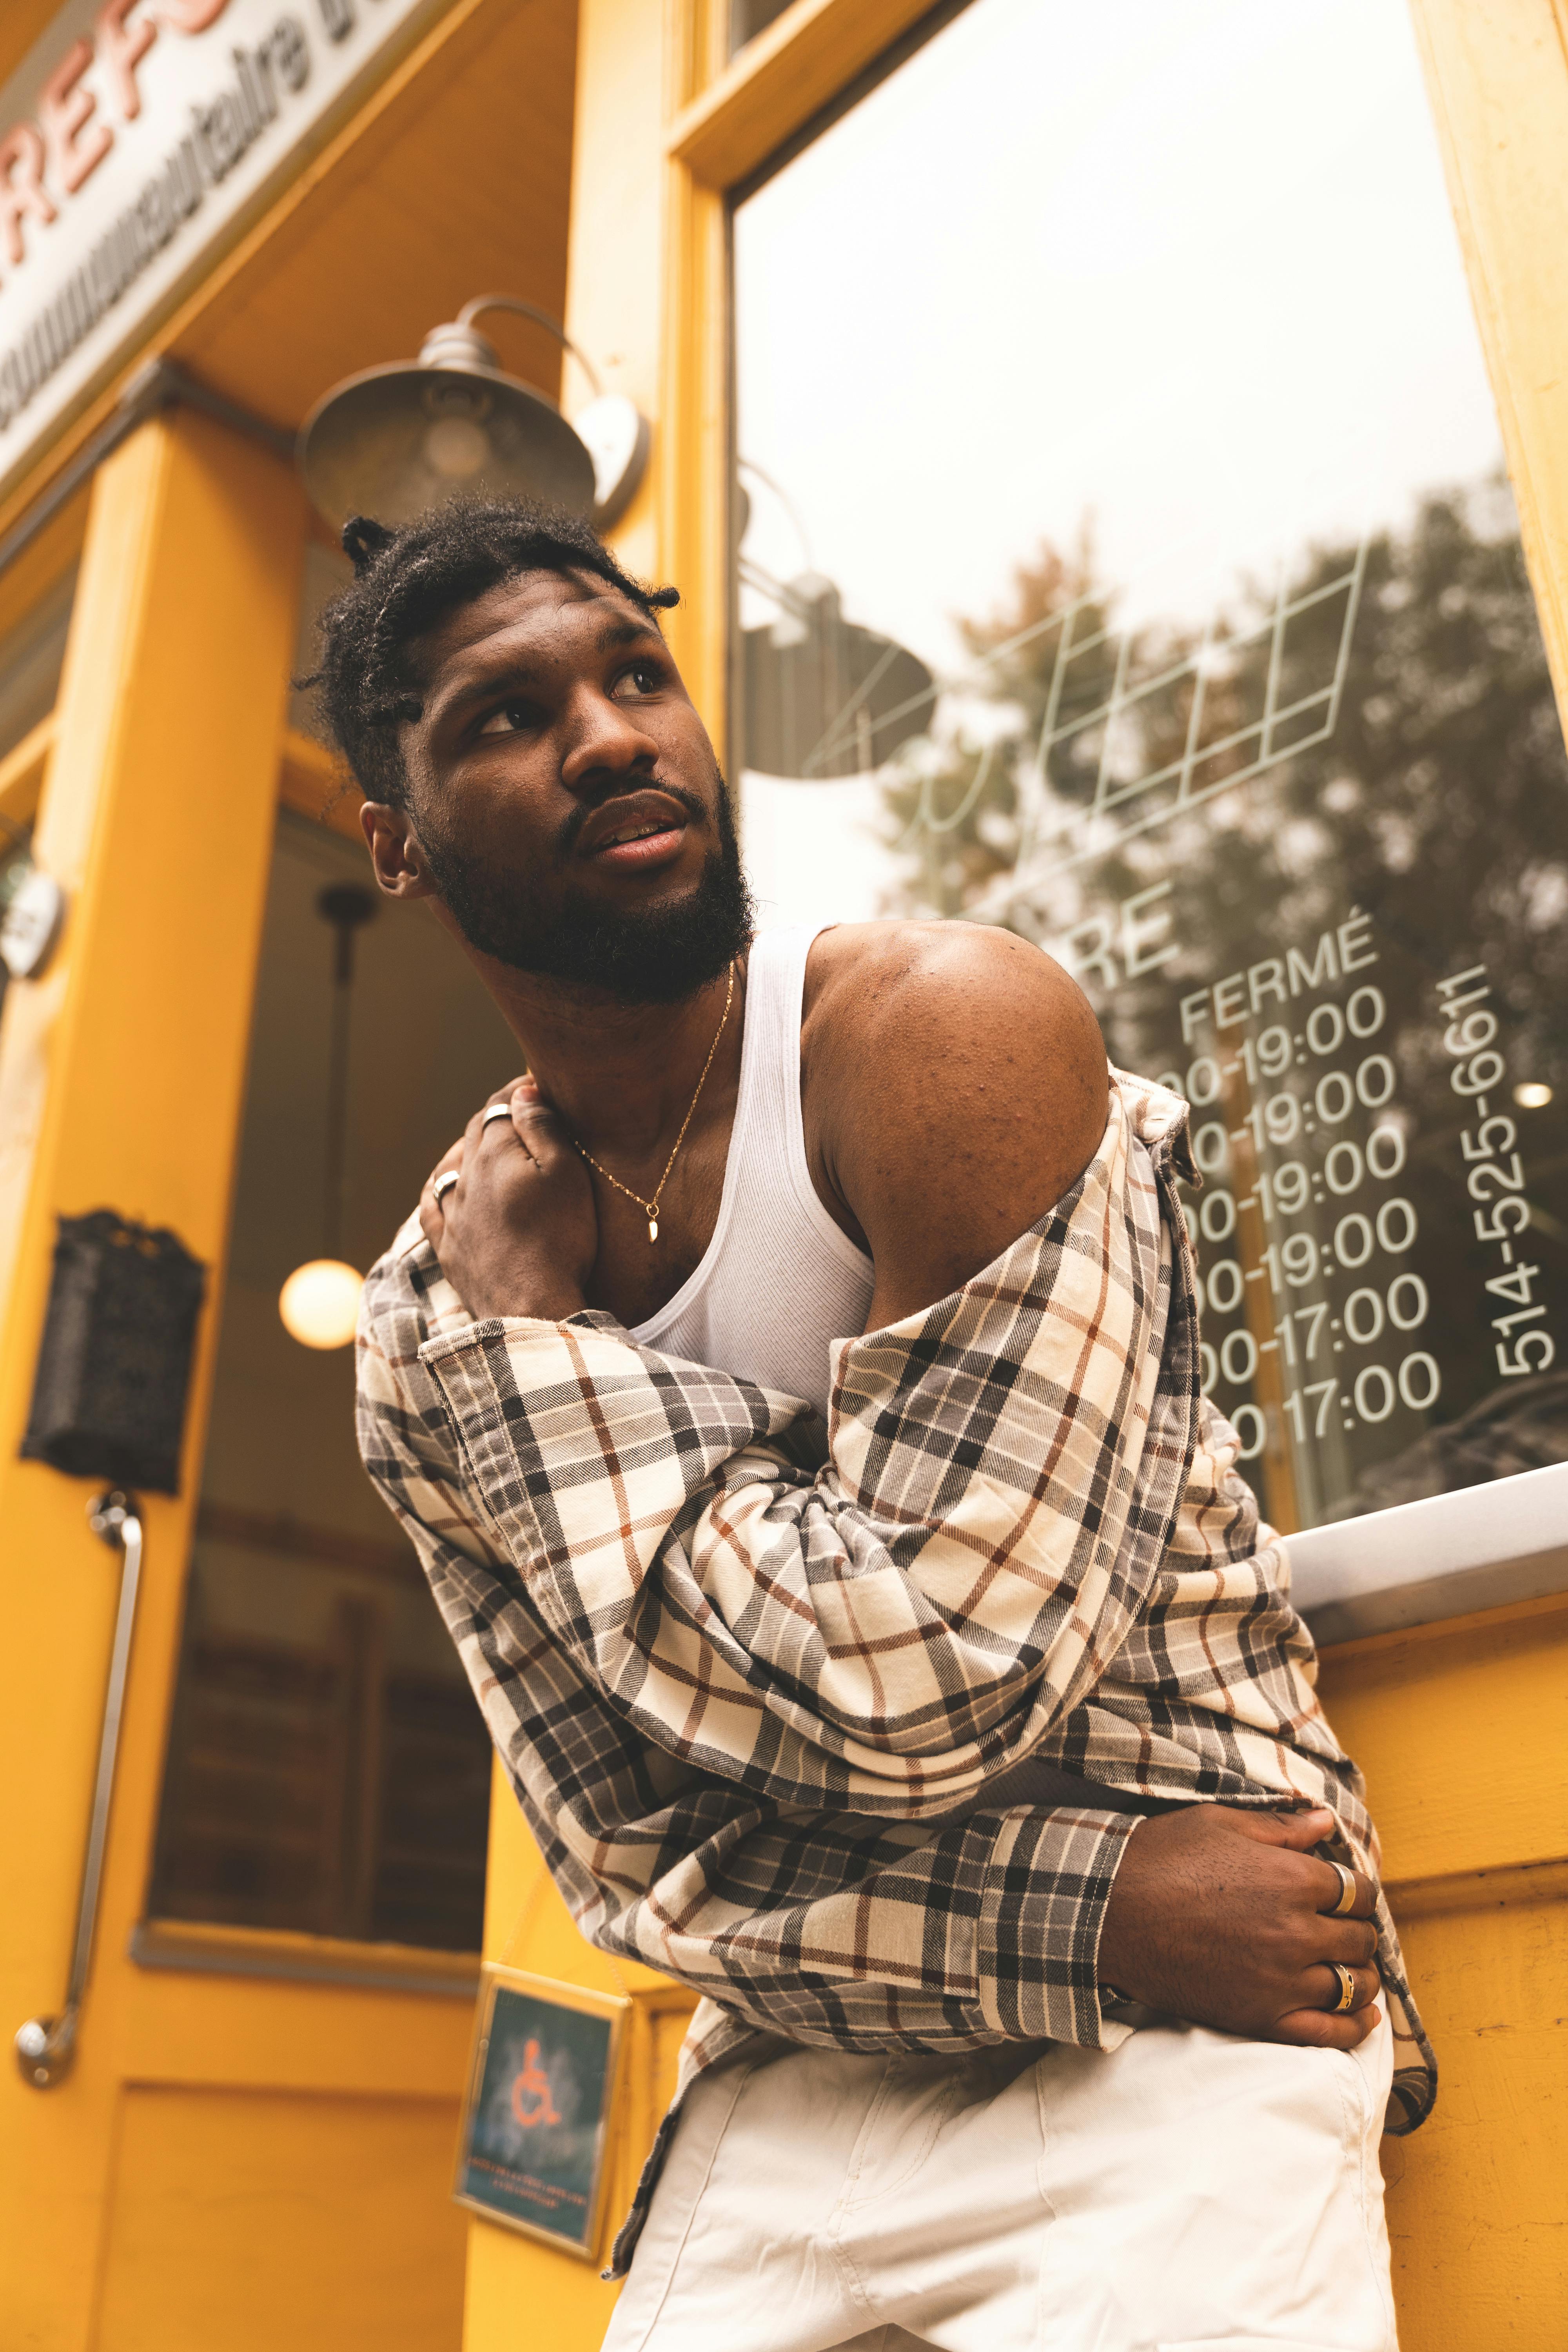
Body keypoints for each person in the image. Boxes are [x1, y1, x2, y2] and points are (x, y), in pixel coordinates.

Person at [325, 499, 1432, 2352]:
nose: (608, 737)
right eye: (505, 717)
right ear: (399, 842)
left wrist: (545, 1362)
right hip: (828, 2060)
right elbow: (627, 1861)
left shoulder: (938, 1039)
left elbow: (929, 1687)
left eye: (636, 676)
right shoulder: (436, 1325)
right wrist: (1091, 1903)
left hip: (1189, 2023)